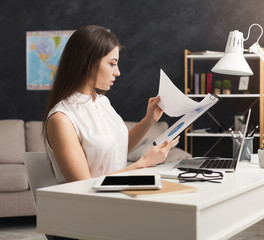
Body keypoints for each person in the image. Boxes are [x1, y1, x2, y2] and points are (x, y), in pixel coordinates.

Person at [43, 25, 179, 183]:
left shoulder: (102, 102)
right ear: (88, 62)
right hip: (90, 204)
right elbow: (81, 185)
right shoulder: (61, 119)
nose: (118, 72)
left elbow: (116, 149)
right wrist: (143, 164)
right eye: (112, 64)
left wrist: (148, 121)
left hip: (118, 194)